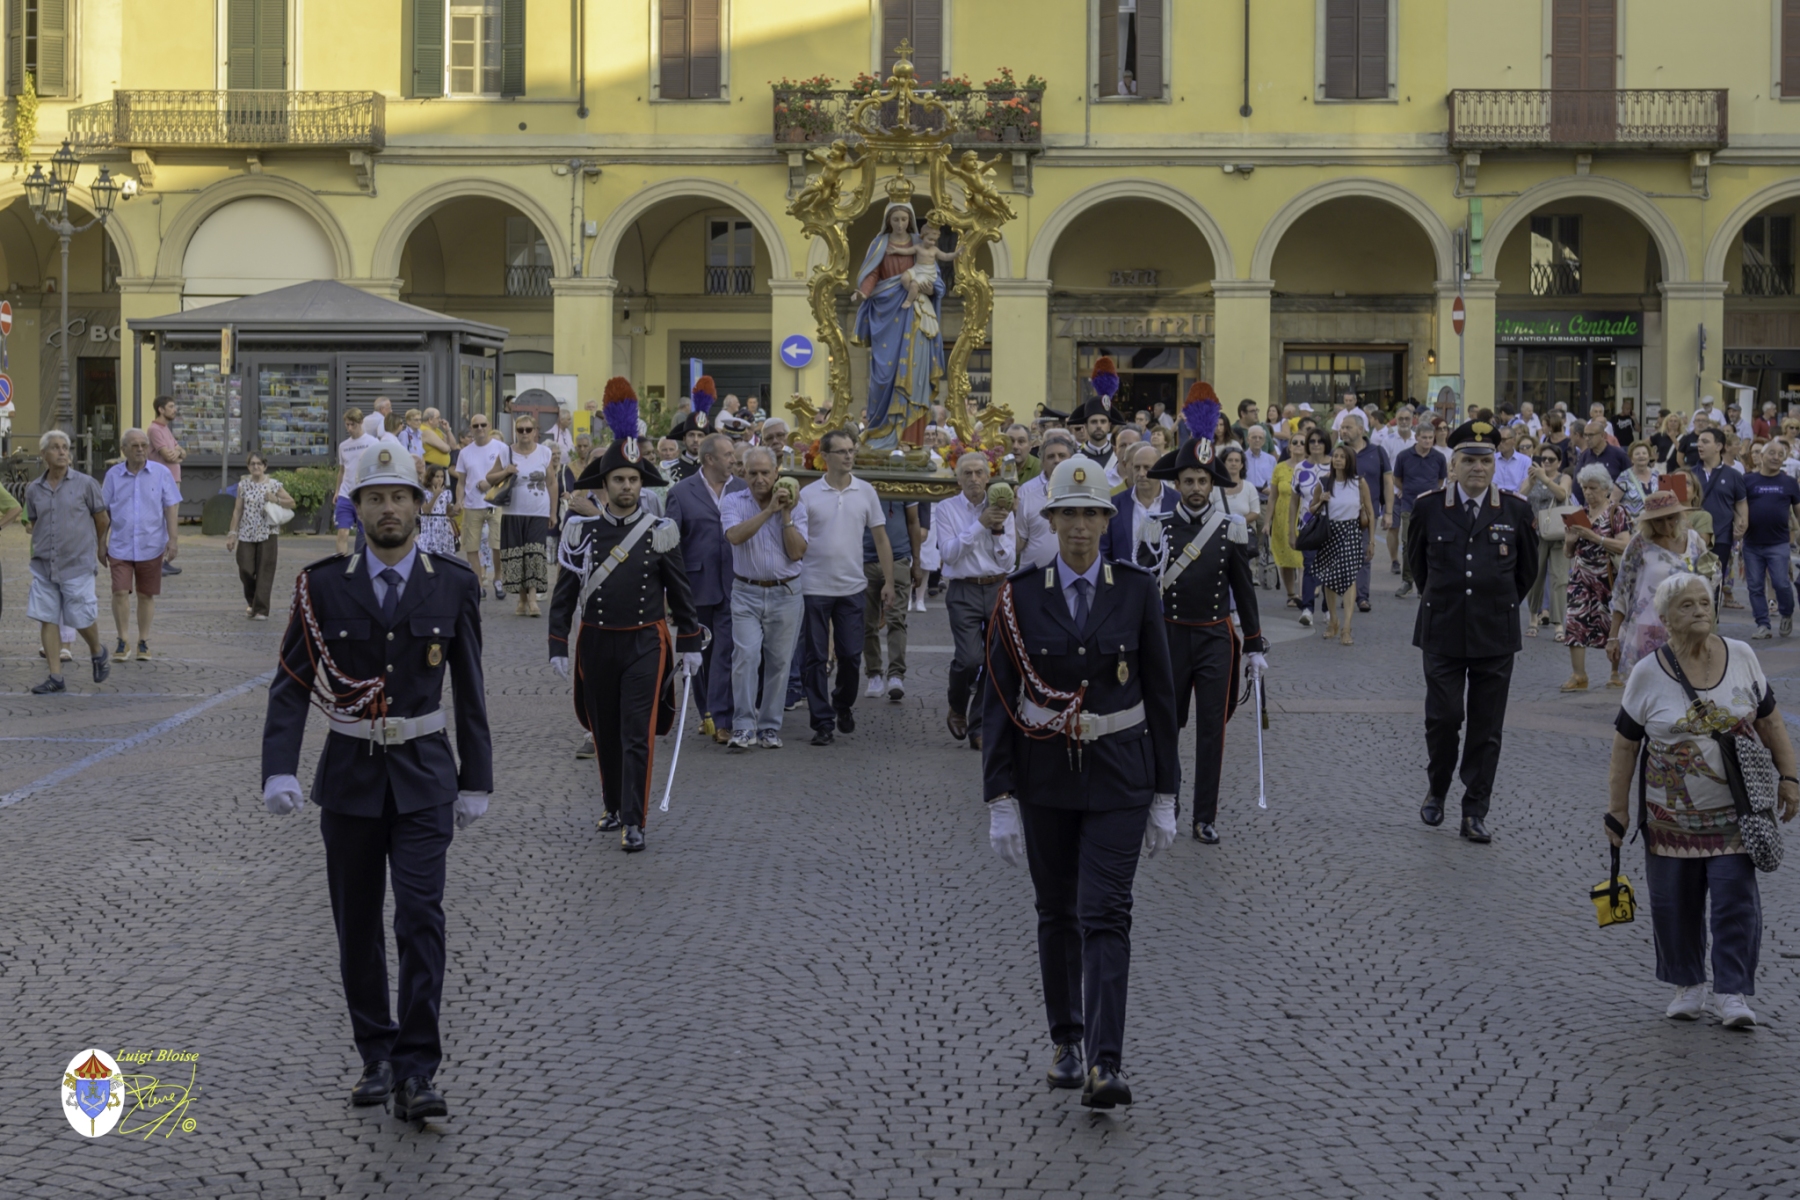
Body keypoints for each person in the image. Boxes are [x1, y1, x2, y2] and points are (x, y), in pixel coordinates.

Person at [260, 439, 490, 1124]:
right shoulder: (323, 585)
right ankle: (376, 1055)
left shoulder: (452, 582)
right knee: (357, 926)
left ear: (420, 507)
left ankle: (418, 1068)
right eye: (375, 498)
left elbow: (471, 689)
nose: (388, 508)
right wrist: (278, 766)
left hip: (424, 779)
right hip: (352, 779)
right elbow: (292, 683)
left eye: (399, 497)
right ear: (355, 508)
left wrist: (476, 777)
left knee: (421, 919)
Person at [979, 455, 1179, 1109]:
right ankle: (1066, 1041)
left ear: (1106, 520)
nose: (1081, 528)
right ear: (1051, 518)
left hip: (1121, 775)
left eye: (1093, 515)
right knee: (1058, 911)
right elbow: (1000, 700)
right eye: (1069, 514)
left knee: (1106, 913)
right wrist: (999, 796)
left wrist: (1167, 793)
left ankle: (1105, 1062)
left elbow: (1161, 694)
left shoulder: (1136, 590)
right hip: (1045, 780)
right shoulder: (1021, 594)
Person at [1607, 572, 1800, 1028]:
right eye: (1687, 606)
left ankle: (1731, 992)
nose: (1699, 611)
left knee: (1736, 900)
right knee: (1675, 903)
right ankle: (1687, 985)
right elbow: (1625, 745)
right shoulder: (1647, 672)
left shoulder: (1743, 657)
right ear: (1666, 618)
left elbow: (1771, 723)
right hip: (1668, 818)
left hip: (1736, 812)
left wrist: (1790, 777)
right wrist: (1616, 810)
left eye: (1704, 603)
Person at [549, 379, 703, 851]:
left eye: (634, 480)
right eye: (619, 480)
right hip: (596, 640)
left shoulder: (661, 531)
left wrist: (691, 641)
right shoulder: (581, 532)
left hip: (644, 642)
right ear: (604, 484)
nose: (627, 487)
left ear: (643, 483)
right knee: (606, 731)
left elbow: (680, 594)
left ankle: (634, 821)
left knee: (637, 732)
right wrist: (558, 641)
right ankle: (613, 805)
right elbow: (565, 592)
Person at [1404, 420, 1539, 843]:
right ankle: (1438, 788)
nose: (1477, 468)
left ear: (1494, 466)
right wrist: (1444, 600)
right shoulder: (1429, 507)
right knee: (1443, 719)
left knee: (1486, 727)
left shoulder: (1515, 510)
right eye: (1469, 461)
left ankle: (1474, 809)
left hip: (1494, 634)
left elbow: (1526, 573)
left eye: (1485, 461)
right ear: (1454, 464)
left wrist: (1495, 604)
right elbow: (1418, 566)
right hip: (1442, 628)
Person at [1145, 403, 1268, 844]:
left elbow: (1245, 590)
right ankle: (1167, 801)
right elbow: (1141, 592)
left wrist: (1253, 644)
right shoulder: (1154, 528)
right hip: (1170, 638)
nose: (1196, 488)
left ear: (1212, 484)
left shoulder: (1231, 528)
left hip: (1215, 637)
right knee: (1166, 724)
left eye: (1203, 481)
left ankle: (1204, 816)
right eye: (1189, 481)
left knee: (1211, 732)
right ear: (1176, 484)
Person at [797, 428, 895, 746]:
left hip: (852, 586)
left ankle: (842, 703)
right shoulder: (808, 495)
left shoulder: (865, 492)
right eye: (842, 451)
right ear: (825, 457)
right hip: (813, 586)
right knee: (814, 657)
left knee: (851, 655)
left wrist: (890, 581)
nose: (849, 456)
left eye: (852, 450)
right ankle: (822, 721)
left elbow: (880, 538)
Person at [719, 446, 809, 750]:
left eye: (765, 473)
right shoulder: (732, 501)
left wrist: (784, 513)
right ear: (743, 473)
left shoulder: (796, 504)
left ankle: (770, 726)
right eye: (753, 473)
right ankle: (744, 725)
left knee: (780, 661)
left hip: (786, 592)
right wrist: (768, 510)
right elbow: (734, 536)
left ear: (776, 473)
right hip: (745, 592)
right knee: (745, 656)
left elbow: (796, 552)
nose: (759, 479)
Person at [664, 432, 748, 742]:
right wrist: (671, 590)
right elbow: (671, 544)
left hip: (735, 582)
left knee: (726, 650)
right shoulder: (682, 492)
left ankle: (721, 718)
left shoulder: (741, 489)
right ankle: (706, 713)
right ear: (710, 458)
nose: (733, 460)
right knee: (699, 652)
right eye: (728, 455)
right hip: (696, 585)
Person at [937, 451, 1017, 750]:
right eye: (967, 474)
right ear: (958, 479)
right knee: (970, 659)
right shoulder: (946, 509)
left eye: (978, 473)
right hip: (964, 588)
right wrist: (980, 524)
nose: (973, 479)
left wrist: (996, 530)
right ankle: (957, 705)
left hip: (997, 586)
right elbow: (948, 553)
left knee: (996, 660)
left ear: (988, 476)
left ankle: (979, 725)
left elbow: (1009, 560)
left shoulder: (1003, 506)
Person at [25, 430, 111, 694]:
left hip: (77, 562)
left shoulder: (86, 484)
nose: (62, 451)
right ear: (44, 455)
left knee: (80, 617)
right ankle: (56, 677)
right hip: (43, 565)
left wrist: (99, 547)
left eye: (65, 447)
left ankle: (97, 651)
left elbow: (102, 519)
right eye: (55, 447)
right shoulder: (33, 489)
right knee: (47, 618)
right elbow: (34, 523)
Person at [1608, 490, 1714, 679]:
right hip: (1649, 630)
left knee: (1689, 686)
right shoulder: (1639, 544)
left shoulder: (1694, 541)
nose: (1665, 525)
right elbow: (1622, 590)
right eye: (1658, 521)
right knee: (1648, 689)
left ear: (1680, 515)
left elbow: (1710, 579)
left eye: (1671, 518)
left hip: (1687, 628)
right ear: (1648, 522)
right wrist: (1613, 636)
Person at [100, 428, 182, 661]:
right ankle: (123, 639)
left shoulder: (161, 473)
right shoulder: (113, 475)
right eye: (134, 445)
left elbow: (171, 507)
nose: (140, 449)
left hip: (151, 544)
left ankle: (143, 641)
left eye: (144, 445)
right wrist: (101, 542)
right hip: (120, 545)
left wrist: (173, 540)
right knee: (119, 592)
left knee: (146, 594)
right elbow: (103, 512)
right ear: (123, 450)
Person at [1560, 464, 1632, 691]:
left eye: (1593, 488)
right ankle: (1579, 675)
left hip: (1609, 578)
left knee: (1612, 624)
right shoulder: (1578, 514)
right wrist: (1570, 542)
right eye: (1584, 488)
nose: (1588, 493)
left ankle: (1616, 673)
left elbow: (1625, 546)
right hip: (1581, 576)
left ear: (1605, 489)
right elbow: (1568, 553)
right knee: (1574, 621)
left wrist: (1594, 537)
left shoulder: (1616, 512)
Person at [485, 415, 558, 618]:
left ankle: (533, 600)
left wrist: (553, 512)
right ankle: (522, 599)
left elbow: (552, 483)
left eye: (528, 429)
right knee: (517, 555)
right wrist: (505, 471)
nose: (524, 433)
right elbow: (489, 478)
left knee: (534, 554)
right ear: (515, 432)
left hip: (538, 511)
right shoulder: (506, 452)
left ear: (535, 431)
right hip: (513, 511)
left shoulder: (544, 452)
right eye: (520, 430)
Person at [1307, 442, 1373, 646]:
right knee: (1329, 577)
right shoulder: (1325, 482)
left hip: (1351, 532)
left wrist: (1371, 541)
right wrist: (1321, 501)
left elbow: (1370, 512)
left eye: (1341, 457)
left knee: (1349, 577)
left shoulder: (1359, 482)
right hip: (1330, 532)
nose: (1337, 459)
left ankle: (1346, 627)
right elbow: (1311, 509)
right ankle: (1333, 621)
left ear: (1349, 460)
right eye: (1335, 456)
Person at [1739, 437, 1800, 639]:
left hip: (1779, 543)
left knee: (1781, 583)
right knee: (1755, 586)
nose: (1776, 457)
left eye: (1780, 455)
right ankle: (1763, 624)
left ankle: (1786, 613)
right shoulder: (1747, 480)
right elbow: (1739, 507)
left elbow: (1798, 511)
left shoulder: (1790, 483)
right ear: (1761, 456)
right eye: (1771, 453)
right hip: (1751, 543)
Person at [864, 493, 923, 702]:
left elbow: (913, 521)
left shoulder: (902, 481)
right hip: (865, 558)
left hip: (898, 557)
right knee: (867, 622)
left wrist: (916, 562)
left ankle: (896, 674)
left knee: (896, 619)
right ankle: (873, 673)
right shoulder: (859, 483)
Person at [225, 450, 297, 621]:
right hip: (246, 533)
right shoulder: (243, 485)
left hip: (267, 533)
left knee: (265, 572)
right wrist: (232, 533)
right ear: (248, 467)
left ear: (264, 466)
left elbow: (292, 502)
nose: (256, 467)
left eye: (259, 464)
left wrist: (275, 499)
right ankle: (252, 601)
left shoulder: (273, 485)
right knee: (245, 569)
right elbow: (237, 510)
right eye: (252, 464)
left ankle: (260, 610)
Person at [1339, 417, 1393, 612]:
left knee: (1364, 553)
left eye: (1348, 427)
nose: (1343, 431)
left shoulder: (1378, 452)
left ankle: (1362, 596)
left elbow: (1388, 482)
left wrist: (1388, 512)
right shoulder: (1339, 453)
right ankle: (1346, 592)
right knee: (1344, 555)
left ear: (1361, 429)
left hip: (1367, 513)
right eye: (1342, 427)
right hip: (1342, 513)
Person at [452, 413, 508, 600]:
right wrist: (458, 501)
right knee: (471, 546)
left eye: (483, 424)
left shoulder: (501, 448)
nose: (480, 428)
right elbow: (461, 481)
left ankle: (498, 578)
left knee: (497, 544)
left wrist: (491, 484)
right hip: (472, 505)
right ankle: (477, 582)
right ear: (471, 429)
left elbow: (509, 476)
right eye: (476, 426)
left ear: (489, 425)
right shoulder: (465, 452)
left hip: (494, 502)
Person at [1693, 428, 1749, 612]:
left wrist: (1743, 523)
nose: (1699, 444)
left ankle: (1711, 625)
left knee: (1715, 581)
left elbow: (1741, 504)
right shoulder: (1689, 474)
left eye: (1705, 441)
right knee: (1693, 581)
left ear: (1718, 446)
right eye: (1699, 441)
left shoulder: (1733, 475)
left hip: (1722, 536)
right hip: (1693, 537)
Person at [1392, 422, 1447, 600]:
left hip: (1432, 508)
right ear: (1416, 438)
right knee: (1409, 544)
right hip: (1409, 506)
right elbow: (1397, 479)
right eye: (1424, 437)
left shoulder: (1439, 458)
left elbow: (1440, 481)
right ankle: (1408, 581)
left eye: (1430, 438)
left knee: (1431, 544)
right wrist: (1408, 491)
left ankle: (1426, 584)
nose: (1427, 441)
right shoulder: (1403, 456)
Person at [1522, 448, 1572, 638]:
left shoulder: (1564, 477)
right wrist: (1532, 481)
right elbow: (1520, 496)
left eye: (1551, 459)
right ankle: (1533, 618)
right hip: (1536, 533)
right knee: (1535, 576)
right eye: (1543, 459)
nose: (1547, 462)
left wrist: (1545, 479)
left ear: (1559, 462)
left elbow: (1562, 495)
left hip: (1558, 533)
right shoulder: (1534, 478)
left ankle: (1558, 624)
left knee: (1560, 578)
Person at [1101, 441, 1175, 563]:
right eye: (1137, 467)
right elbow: (1103, 550)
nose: (1141, 474)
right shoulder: (1114, 504)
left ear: (1160, 468)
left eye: (1147, 468)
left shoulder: (1177, 502)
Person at [1289, 428, 1332, 626]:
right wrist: (1291, 530)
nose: (1316, 444)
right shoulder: (1299, 468)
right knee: (1309, 566)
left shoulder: (1334, 465)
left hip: (1331, 523)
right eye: (1312, 441)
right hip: (1307, 523)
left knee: (1329, 568)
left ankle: (1327, 608)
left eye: (1320, 441)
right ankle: (1307, 608)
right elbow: (1294, 501)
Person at [1016, 430, 1075, 571]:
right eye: (1050, 456)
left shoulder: (1085, 497)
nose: (1057, 460)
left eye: (1062, 456)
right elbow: (1019, 544)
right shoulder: (1028, 497)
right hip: (1033, 577)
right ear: (1042, 463)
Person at [333, 408, 376, 557]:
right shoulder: (343, 446)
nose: (350, 428)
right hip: (345, 494)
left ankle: (360, 564)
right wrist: (337, 491)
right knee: (342, 533)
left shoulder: (373, 443)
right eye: (347, 425)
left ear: (361, 422)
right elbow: (342, 471)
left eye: (353, 425)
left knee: (365, 535)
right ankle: (341, 567)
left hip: (363, 495)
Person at [1270, 426, 1306, 606]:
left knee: (1302, 557)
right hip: (1282, 516)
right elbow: (1273, 496)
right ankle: (1292, 594)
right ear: (1289, 447)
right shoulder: (1280, 468)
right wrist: (1267, 520)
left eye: (1302, 443)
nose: (1298, 445)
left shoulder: (1312, 467)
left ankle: (1303, 594)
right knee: (1286, 557)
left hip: (1305, 516)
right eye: (1295, 442)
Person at [417, 464, 458, 558]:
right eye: (437, 476)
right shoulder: (423, 493)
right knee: (428, 555)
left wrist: (455, 510)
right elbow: (426, 510)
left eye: (442, 476)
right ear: (430, 477)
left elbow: (448, 511)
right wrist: (436, 495)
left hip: (443, 529)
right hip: (429, 529)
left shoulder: (447, 493)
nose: (440, 479)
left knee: (444, 556)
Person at [1616, 439, 1661, 519]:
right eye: (1637, 454)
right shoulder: (1624, 477)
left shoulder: (1656, 475)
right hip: (1631, 526)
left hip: (1654, 524)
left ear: (1649, 456)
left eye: (1644, 453)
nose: (1641, 456)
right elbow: (1613, 503)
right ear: (1631, 458)